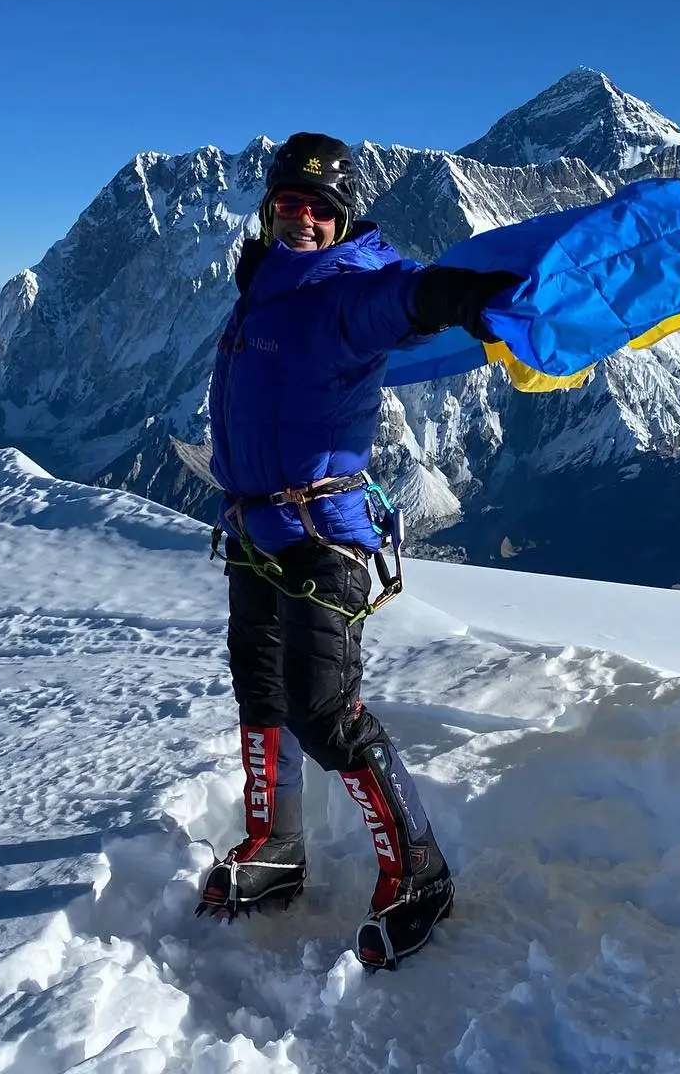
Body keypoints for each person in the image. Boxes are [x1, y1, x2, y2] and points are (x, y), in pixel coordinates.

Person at [198, 131, 516, 970]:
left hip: (323, 541)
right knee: (261, 695)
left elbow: (402, 301)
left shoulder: (346, 292)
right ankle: (275, 848)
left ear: (342, 221)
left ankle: (422, 874)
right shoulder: (260, 285)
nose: (302, 220)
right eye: (289, 205)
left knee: (322, 711)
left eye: (319, 209)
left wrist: (460, 297)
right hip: (253, 531)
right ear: (271, 209)